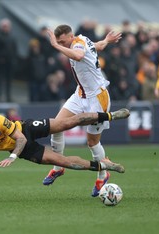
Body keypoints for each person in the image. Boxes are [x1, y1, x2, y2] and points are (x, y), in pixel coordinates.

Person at [0, 108, 130, 194]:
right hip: (24, 150)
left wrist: (12, 157)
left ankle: (111, 116)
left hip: (25, 130)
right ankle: (104, 166)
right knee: (62, 161)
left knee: (66, 123)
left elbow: (21, 138)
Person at [43, 24, 122, 197]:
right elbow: (97, 46)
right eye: (59, 43)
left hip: (97, 98)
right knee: (55, 127)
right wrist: (107, 40)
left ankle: (103, 174)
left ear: (70, 36)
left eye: (63, 41)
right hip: (80, 94)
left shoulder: (77, 44)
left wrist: (56, 46)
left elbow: (79, 55)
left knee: (92, 142)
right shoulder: (83, 40)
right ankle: (58, 167)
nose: (62, 45)